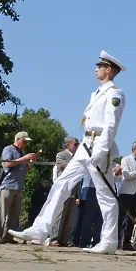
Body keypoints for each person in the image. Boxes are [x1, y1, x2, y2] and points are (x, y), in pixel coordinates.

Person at [9, 51, 126, 255]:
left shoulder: (114, 93)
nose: (95, 69)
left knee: (104, 193)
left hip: (98, 147)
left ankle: (109, 240)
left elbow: (110, 125)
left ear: (109, 69)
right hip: (85, 144)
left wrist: (101, 151)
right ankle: (40, 228)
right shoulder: (97, 93)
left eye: (99, 66)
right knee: (62, 184)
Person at [50, 136, 80, 247]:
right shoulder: (61, 155)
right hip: (63, 190)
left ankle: (64, 239)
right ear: (68, 145)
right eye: (75, 144)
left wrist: (78, 195)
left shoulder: (77, 157)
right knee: (60, 215)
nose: (77, 146)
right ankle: (54, 238)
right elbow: (63, 165)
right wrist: (77, 164)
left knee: (69, 217)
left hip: (73, 190)